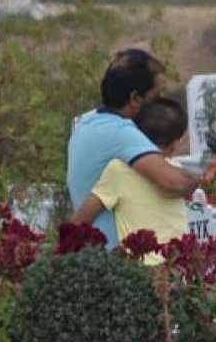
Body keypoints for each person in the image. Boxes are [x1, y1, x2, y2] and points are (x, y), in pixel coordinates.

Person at [67, 49, 197, 247]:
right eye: (156, 94)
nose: (159, 102)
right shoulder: (121, 132)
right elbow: (174, 182)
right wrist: (200, 179)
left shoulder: (87, 122)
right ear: (135, 98)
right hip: (118, 259)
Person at [72, 98, 191, 262]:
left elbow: (82, 219)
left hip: (139, 271)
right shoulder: (177, 173)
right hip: (179, 267)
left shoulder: (118, 170)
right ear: (174, 144)